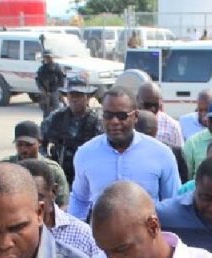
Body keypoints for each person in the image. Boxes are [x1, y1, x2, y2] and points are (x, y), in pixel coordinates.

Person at [68, 87, 180, 220]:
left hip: (146, 232)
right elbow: (79, 200)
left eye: (122, 116)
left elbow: (173, 203)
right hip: (100, 233)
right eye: (108, 115)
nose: (114, 121)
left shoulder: (161, 154)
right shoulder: (86, 153)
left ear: (136, 116)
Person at [18, 158, 99, 257]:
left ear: (54, 191)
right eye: (21, 199)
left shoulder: (81, 235)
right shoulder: (8, 237)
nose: (29, 205)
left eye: (37, 198)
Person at [41, 77, 104, 187]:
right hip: (60, 173)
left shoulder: (97, 121)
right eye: (71, 95)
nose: (74, 99)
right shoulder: (56, 118)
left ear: (87, 97)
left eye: (78, 95)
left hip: (87, 174)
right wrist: (47, 161)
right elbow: (39, 141)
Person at [1, 120, 69, 207]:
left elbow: (63, 203)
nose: (24, 149)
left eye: (28, 145)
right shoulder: (5, 167)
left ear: (39, 142)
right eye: (19, 145)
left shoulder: (53, 170)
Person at [135, 110, 189, 183]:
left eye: (148, 134)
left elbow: (183, 182)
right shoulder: (127, 152)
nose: (146, 138)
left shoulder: (174, 152)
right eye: (143, 134)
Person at [136, 81, 183, 148]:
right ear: (137, 99)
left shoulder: (172, 126)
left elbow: (178, 152)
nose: (152, 109)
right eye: (147, 105)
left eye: (155, 105)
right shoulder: (127, 122)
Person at [35, 49, 66, 117]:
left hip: (55, 90)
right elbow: (38, 80)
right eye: (46, 57)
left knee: (56, 110)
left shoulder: (57, 67)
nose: (48, 59)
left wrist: (59, 89)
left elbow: (62, 78)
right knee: (46, 110)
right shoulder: (42, 69)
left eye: (49, 57)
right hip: (45, 92)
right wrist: (42, 90)